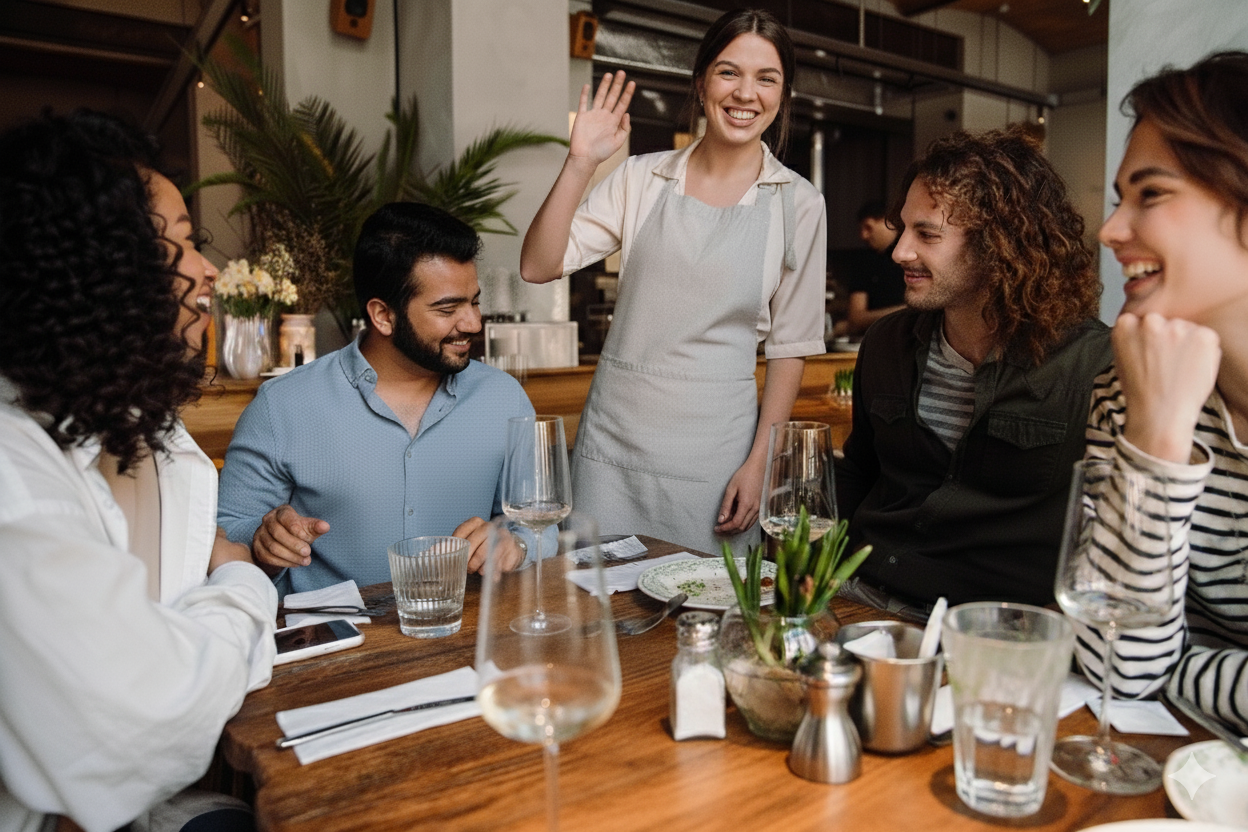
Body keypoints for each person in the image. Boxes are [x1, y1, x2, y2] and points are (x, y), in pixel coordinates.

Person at [0, 111, 276, 832]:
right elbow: (150, 719)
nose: (207, 268)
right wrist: (243, 581)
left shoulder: (154, 437)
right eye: (182, 241)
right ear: (105, 269)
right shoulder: (13, 479)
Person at [520, 8, 827, 555]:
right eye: (729, 72)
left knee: (706, 615)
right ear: (701, 80)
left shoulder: (799, 203)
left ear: (784, 93)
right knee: (599, 615)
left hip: (716, 458)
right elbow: (538, 265)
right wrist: (580, 163)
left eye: (767, 78)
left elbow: (790, 348)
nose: (746, 93)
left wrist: (760, 464)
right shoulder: (641, 176)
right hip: (612, 450)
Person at [835, 125, 1113, 616]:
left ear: (999, 244)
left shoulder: (1091, 363)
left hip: (995, 629)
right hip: (863, 596)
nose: (900, 251)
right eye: (903, 229)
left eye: (928, 234)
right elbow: (860, 471)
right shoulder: (885, 344)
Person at [217, 203, 530, 597]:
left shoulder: (504, 399)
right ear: (383, 315)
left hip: (468, 633)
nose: (472, 323)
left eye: (474, 301)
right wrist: (264, 541)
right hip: (336, 646)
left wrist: (516, 545)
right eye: (447, 309)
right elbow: (226, 528)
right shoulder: (281, 407)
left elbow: (537, 521)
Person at [1072, 52, 1248, 733]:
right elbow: (1115, 663)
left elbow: (1150, 666)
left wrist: (1177, 666)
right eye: (1121, 198)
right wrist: (1160, 439)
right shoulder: (1130, 389)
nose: (1111, 230)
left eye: (1151, 194)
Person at [844, 200, 906, 335]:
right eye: (861, 229)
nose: (863, 235)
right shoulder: (864, 262)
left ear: (889, 222)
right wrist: (911, 311)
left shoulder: (911, 256)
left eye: (868, 227)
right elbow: (856, 318)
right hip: (874, 338)